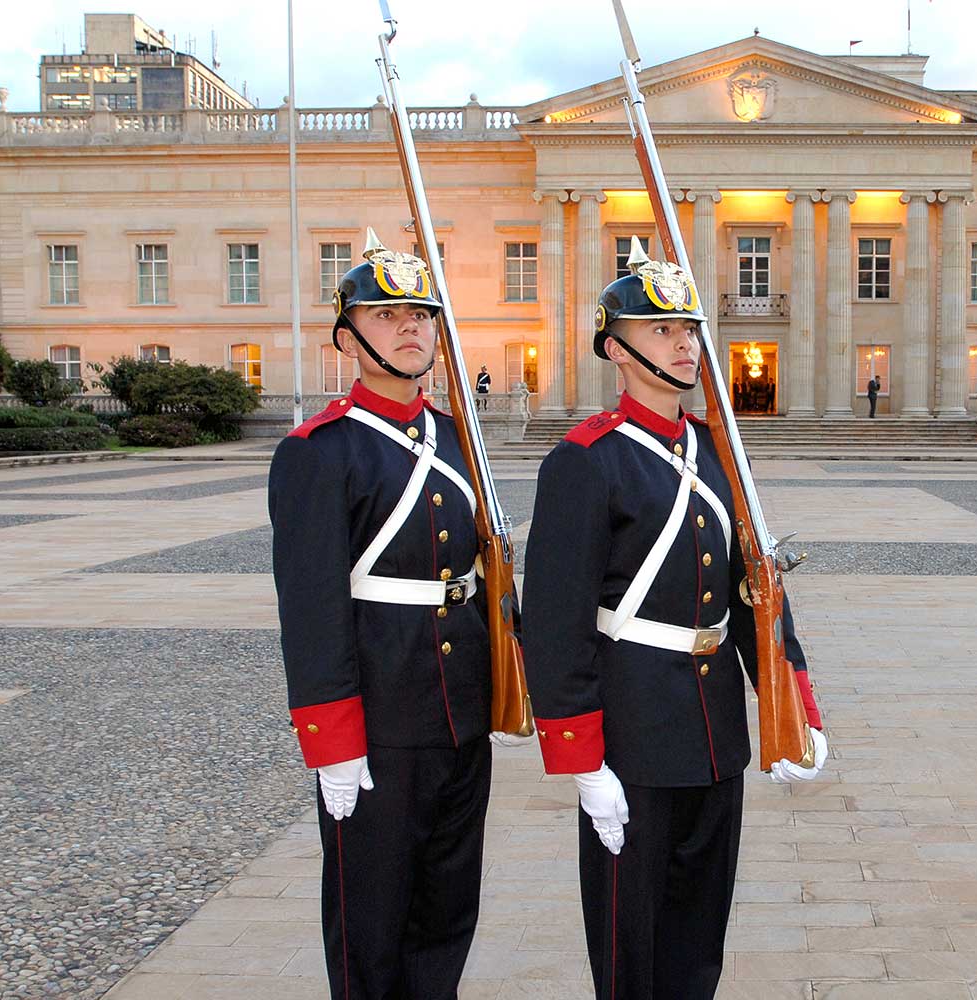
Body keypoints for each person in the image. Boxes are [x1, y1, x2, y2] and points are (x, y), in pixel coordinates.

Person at [523, 255, 828, 1000]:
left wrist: (795, 711)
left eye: (688, 326)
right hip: (631, 729)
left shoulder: (719, 452)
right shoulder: (584, 461)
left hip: (716, 728)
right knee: (632, 937)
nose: (684, 343)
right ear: (615, 349)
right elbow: (555, 623)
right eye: (660, 329)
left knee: (698, 937)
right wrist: (580, 757)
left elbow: (755, 592)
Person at [269, 232, 518, 1000]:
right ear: (347, 337)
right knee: (371, 916)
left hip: (459, 710)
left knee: (448, 908)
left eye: (422, 314)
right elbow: (310, 608)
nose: (411, 328)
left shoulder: (457, 436)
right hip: (378, 710)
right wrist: (332, 740)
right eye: (387, 315)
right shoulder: (321, 450)